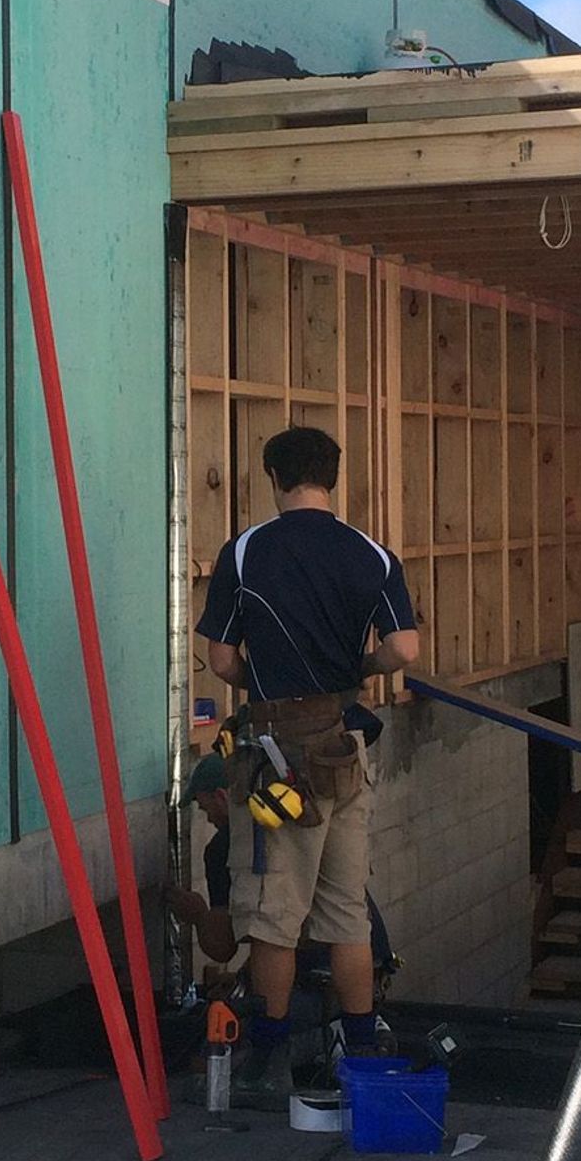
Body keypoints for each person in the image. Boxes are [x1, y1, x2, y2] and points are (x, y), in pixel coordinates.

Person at [197, 425, 419, 1106]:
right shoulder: (371, 555)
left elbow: (222, 660)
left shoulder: (247, 550)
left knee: (273, 916)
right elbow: (404, 648)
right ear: (334, 476)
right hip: (343, 748)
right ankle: (362, 1050)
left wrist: (262, 677)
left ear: (272, 477)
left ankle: (269, 1057)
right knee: (346, 911)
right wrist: (360, 667)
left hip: (278, 759)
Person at [165, 751, 395, 983]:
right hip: (368, 969)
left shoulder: (225, 845)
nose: (208, 819)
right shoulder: (299, 828)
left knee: (261, 1003)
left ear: (222, 797)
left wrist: (198, 915)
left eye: (206, 809)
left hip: (316, 980)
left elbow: (223, 947)